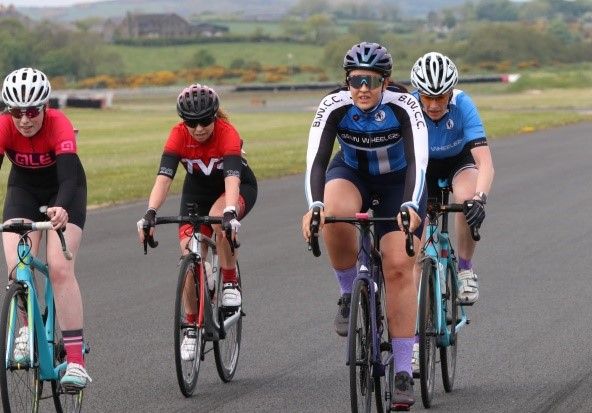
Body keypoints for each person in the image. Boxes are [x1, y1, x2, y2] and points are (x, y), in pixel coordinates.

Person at [301, 42, 429, 410]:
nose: (363, 89)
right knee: (333, 214)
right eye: (356, 80)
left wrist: (410, 205)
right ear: (347, 80)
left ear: (385, 82)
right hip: (352, 173)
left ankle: (403, 369)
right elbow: (316, 161)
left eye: (371, 81)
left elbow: (420, 162)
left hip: (398, 183)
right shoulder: (334, 105)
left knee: (398, 266)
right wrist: (315, 207)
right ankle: (347, 292)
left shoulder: (405, 106)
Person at [137, 83, 257, 361]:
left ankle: (228, 281)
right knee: (189, 259)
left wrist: (229, 211)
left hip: (234, 189)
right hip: (196, 195)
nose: (199, 128)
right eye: (192, 122)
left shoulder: (228, 133)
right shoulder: (178, 136)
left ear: (215, 116)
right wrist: (150, 212)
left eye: (205, 121)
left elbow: (232, 179)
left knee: (219, 222)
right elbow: (163, 179)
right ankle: (191, 327)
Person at [0, 67, 91, 389]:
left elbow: (67, 178)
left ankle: (76, 361)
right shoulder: (3, 127)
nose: (24, 120)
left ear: (44, 107)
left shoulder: (59, 124)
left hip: (66, 190)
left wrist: (62, 208)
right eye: (15, 112)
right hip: (23, 190)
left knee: (59, 268)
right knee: (17, 266)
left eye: (31, 111)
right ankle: (28, 330)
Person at [409, 52, 495, 372]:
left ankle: (465, 269)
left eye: (441, 97)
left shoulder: (464, 105)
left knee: (466, 197)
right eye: (428, 97)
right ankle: (417, 344)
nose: (433, 105)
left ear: (451, 92)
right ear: (418, 93)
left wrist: (480, 199)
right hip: (423, 170)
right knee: (418, 253)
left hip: (459, 163)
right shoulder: (409, 107)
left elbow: (484, 162)